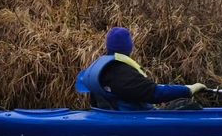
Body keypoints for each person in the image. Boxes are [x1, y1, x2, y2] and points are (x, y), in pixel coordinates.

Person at [78, 27, 207, 110]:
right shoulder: (121, 72)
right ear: (129, 47)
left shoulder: (103, 68)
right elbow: (153, 93)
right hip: (128, 120)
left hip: (108, 116)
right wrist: (188, 90)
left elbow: (142, 89)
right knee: (192, 108)